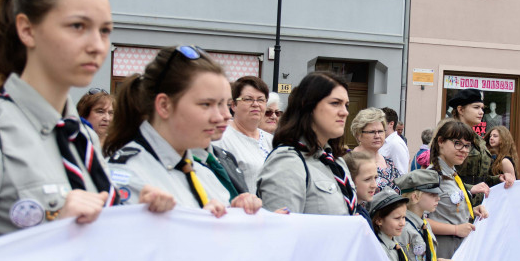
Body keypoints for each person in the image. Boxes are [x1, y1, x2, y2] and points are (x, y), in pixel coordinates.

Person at [0, 0, 172, 244]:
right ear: (27, 30)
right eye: (78, 26)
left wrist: (135, 216)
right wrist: (54, 236)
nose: (97, 46)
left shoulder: (82, 136)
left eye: (104, 30)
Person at [104, 46, 262, 215]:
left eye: (223, 103)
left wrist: (237, 216)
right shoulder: (127, 175)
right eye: (206, 104)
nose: (222, 116)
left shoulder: (202, 172)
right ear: (164, 106)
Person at [256, 71, 357, 215]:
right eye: (335, 103)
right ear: (308, 105)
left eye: (346, 105)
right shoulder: (288, 161)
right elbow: (282, 231)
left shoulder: (337, 162)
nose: (345, 112)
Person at [426, 120, 488, 261]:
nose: (464, 150)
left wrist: (472, 210)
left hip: (459, 249)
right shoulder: (431, 176)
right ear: (441, 141)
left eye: (467, 146)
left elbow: (449, 208)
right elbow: (419, 221)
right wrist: (455, 229)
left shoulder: (452, 174)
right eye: (458, 143)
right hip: (442, 250)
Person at [447, 88, 515, 198]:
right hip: (457, 204)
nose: (481, 112)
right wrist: (470, 189)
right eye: (476, 107)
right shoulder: (449, 137)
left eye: (482, 108)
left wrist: (498, 178)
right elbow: (443, 177)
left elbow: (480, 177)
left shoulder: (479, 139)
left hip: (479, 206)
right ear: (461, 110)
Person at [212, 75, 273, 194]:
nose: (255, 104)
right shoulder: (221, 139)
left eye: (261, 100)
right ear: (233, 105)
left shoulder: (271, 140)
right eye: (248, 99)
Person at [397, 169, 453, 261]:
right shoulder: (403, 227)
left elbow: (424, 258)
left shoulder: (424, 224)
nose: (438, 198)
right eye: (432, 195)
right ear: (415, 197)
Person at [369, 190, 424, 261]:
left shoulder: (394, 242)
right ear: (379, 221)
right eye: (397, 218)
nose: (402, 223)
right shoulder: (379, 249)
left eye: (404, 217)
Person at [350, 107, 401, 193]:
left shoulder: (389, 162)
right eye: (372, 132)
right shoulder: (351, 162)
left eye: (380, 131)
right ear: (358, 134)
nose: (377, 136)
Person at [344, 148, 378, 231]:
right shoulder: (348, 215)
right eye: (367, 179)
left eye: (375, 178)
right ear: (350, 180)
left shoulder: (362, 212)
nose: (374, 185)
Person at [380, 107, 410, 173]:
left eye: (381, 122)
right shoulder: (384, 141)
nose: (378, 124)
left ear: (391, 124)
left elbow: (401, 173)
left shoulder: (396, 143)